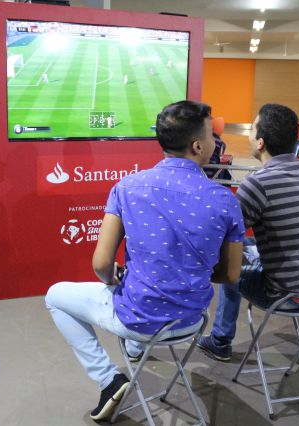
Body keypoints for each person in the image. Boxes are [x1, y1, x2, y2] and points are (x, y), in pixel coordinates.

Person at [45, 100, 245, 421]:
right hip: (192, 320)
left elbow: (101, 265)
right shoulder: (224, 200)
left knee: (56, 296)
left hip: (139, 318)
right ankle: (134, 349)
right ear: (197, 146)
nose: (215, 141)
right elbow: (230, 275)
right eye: (211, 135)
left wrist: (111, 279)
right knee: (137, 289)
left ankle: (109, 379)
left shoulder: (127, 187)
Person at [197, 103, 299, 362]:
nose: (249, 135)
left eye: (252, 129)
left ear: (260, 142)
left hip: (285, 295)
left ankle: (219, 341)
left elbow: (222, 235)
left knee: (229, 266)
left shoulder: (259, 183)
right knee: (245, 245)